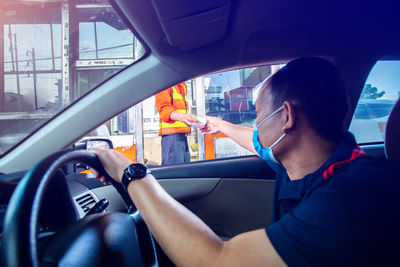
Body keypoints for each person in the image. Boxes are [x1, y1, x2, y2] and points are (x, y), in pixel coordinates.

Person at [93, 57, 400, 266]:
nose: (256, 123)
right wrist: (221, 126)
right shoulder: (302, 164)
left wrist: (130, 173)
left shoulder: (354, 197)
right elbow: (256, 142)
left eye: (259, 114)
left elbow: (216, 260)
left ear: (286, 118)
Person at [155, 82, 199, 165]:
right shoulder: (165, 82)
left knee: (184, 172)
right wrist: (183, 117)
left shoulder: (181, 85)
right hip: (171, 137)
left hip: (182, 135)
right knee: (174, 173)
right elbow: (164, 110)